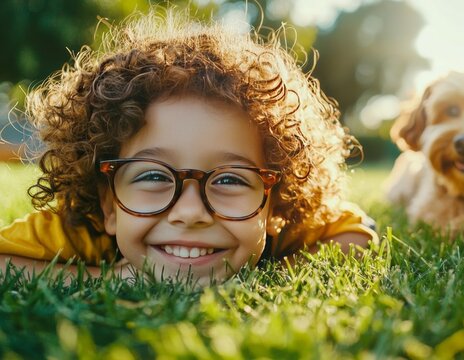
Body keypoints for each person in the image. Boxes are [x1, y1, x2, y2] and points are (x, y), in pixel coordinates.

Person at [0, 10, 377, 284]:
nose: (191, 212)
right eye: (152, 175)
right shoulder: (85, 229)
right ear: (108, 204)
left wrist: (272, 274)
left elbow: (359, 236)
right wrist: (104, 279)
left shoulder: (282, 228)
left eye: (230, 180)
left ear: (275, 205)